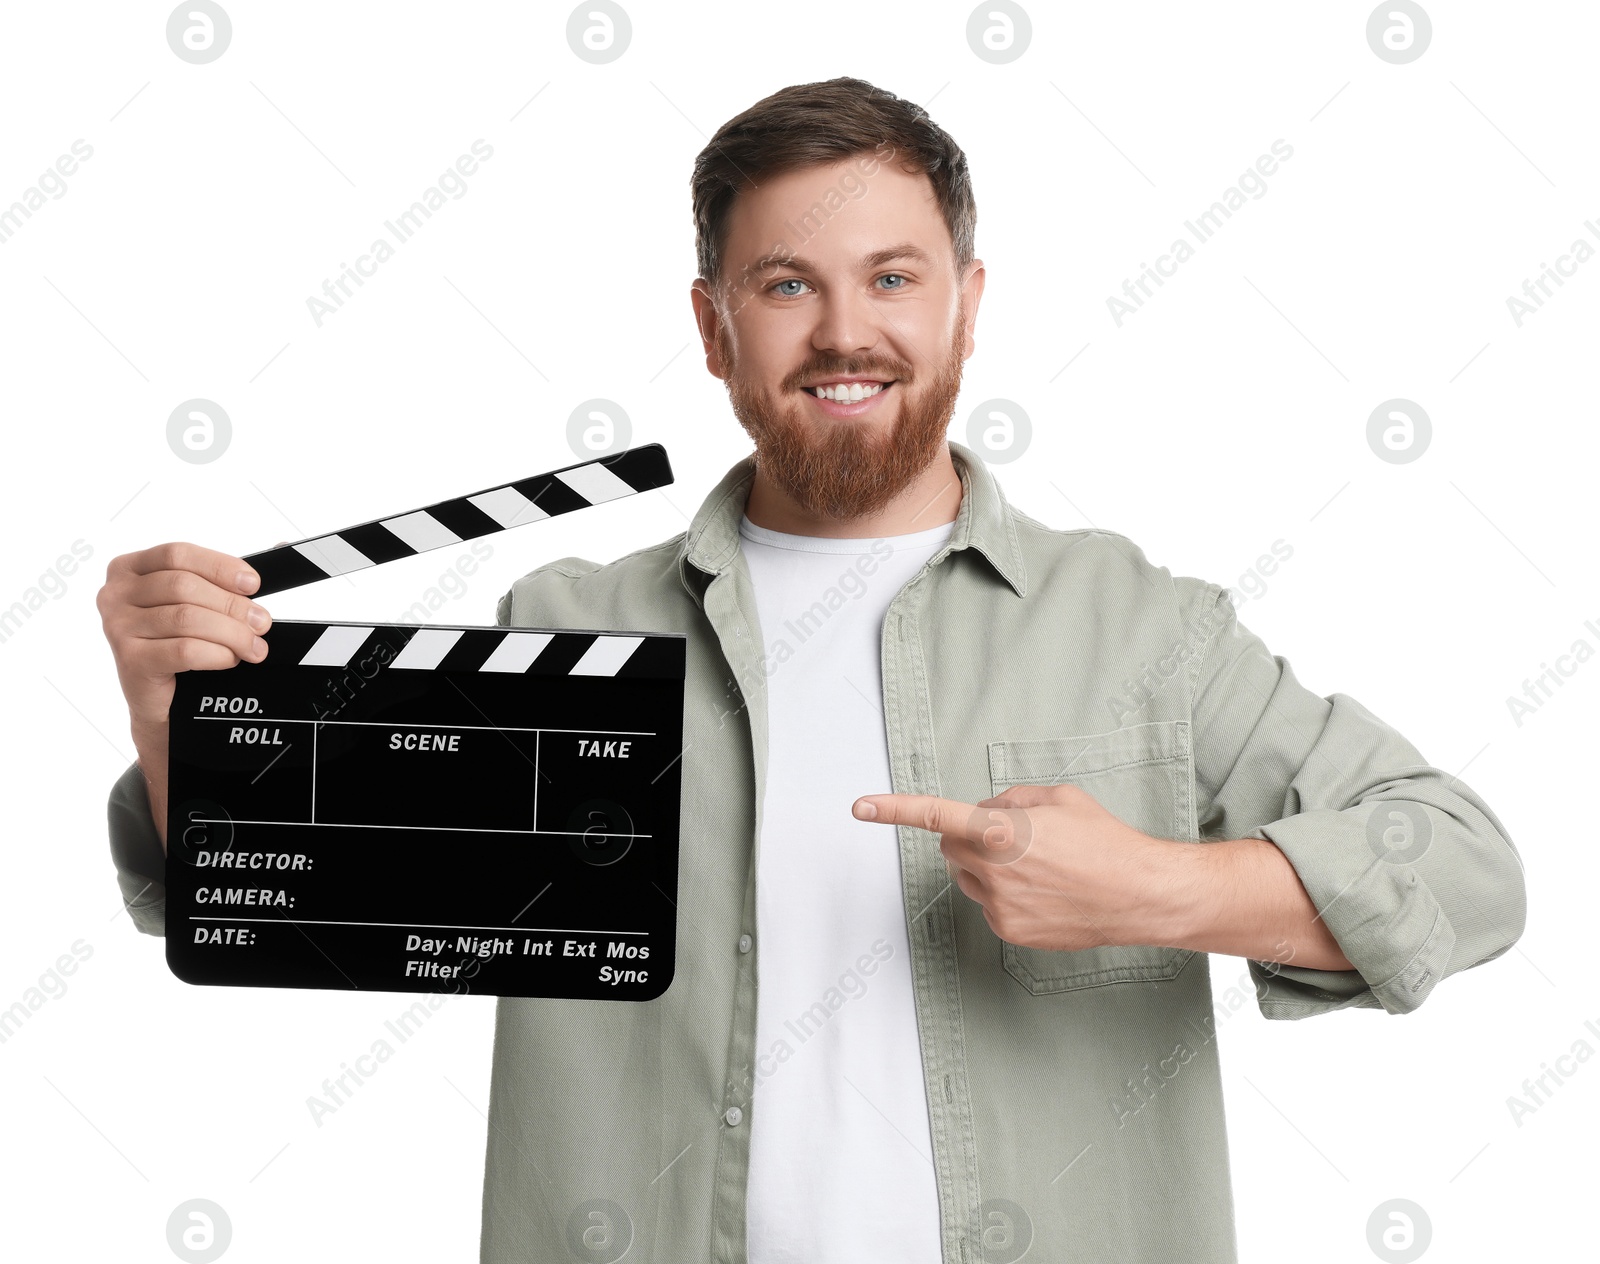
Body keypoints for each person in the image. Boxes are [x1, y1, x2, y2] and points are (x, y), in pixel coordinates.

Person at [98, 77, 1526, 1264]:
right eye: (789, 284)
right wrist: (179, 713)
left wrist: (1155, 887)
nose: (847, 331)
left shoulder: (1142, 626)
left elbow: (1468, 870)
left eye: (892, 278)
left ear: (967, 306)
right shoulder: (565, 631)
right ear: (717, 326)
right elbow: (271, 892)